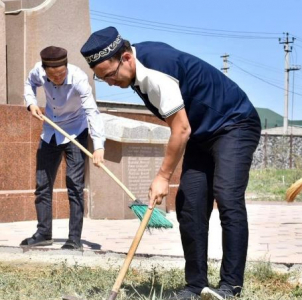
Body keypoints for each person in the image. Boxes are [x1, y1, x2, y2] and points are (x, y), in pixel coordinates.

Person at [80, 27, 261, 300]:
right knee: (190, 205)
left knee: (227, 196)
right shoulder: (136, 69)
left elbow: (181, 129)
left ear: (126, 58)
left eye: (110, 75)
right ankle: (195, 285)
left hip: (234, 123)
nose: (110, 82)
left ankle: (230, 287)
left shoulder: (155, 71)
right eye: (102, 78)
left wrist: (162, 176)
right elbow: (185, 126)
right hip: (202, 133)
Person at [20, 46, 106, 250]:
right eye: (53, 75)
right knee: (42, 184)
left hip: (76, 131)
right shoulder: (38, 72)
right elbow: (29, 83)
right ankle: (43, 233)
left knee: (74, 185)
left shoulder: (79, 78)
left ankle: (74, 239)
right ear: (45, 70)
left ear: (67, 67)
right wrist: (31, 103)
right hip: (51, 129)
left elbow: (92, 111)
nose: (58, 78)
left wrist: (99, 146)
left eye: (61, 73)